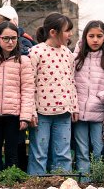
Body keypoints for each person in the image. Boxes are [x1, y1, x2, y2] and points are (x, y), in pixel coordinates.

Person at [0, 21, 34, 174]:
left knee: (12, 152)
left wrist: (25, 116)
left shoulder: (23, 60)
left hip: (14, 115)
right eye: (6, 38)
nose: (10, 42)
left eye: (14, 38)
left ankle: (11, 181)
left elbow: (28, 89)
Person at [27, 13, 77, 175]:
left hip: (64, 112)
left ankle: (63, 183)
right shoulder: (36, 52)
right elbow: (29, 84)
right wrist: (30, 111)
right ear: (53, 32)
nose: (70, 34)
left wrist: (74, 106)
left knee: (63, 153)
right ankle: (36, 183)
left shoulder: (68, 54)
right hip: (41, 113)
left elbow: (71, 81)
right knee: (39, 153)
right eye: (67, 30)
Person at [73, 20, 104, 174]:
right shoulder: (75, 58)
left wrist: (101, 97)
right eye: (91, 36)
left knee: (99, 149)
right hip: (79, 112)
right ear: (85, 37)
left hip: (100, 112)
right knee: (81, 150)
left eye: (99, 36)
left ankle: (99, 179)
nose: (95, 40)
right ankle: (83, 180)